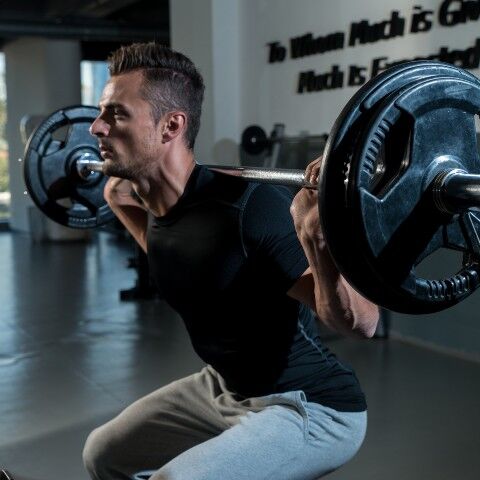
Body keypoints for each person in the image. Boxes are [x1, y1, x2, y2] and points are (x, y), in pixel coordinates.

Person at [83, 42, 379, 480]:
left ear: (171, 127)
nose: (94, 128)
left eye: (116, 115)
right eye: (101, 113)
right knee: (103, 453)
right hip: (223, 387)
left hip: (309, 405)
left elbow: (363, 323)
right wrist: (121, 200)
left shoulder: (250, 210)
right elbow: (188, 258)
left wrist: (316, 237)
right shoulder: (161, 208)